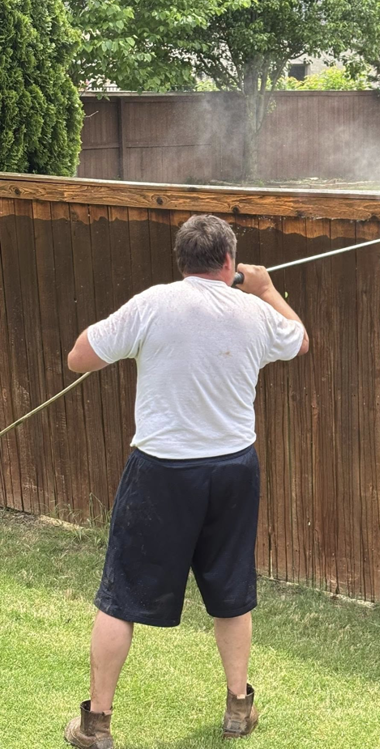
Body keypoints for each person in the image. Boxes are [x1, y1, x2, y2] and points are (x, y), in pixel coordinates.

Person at [64, 214, 309, 749]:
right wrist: (266, 288)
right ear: (229, 261)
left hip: (162, 474)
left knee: (120, 597)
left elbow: (78, 356)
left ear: (182, 262)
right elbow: (301, 341)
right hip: (232, 472)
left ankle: (96, 726)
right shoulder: (255, 310)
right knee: (231, 591)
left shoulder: (154, 301)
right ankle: (238, 710)